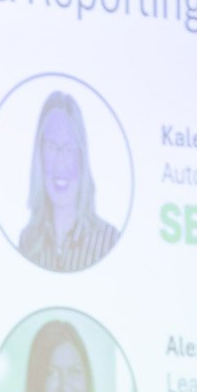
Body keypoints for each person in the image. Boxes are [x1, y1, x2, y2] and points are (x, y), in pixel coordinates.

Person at [18, 90, 120, 272]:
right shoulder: (27, 241)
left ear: (82, 155)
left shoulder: (109, 242)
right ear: (39, 155)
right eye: (51, 147)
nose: (60, 163)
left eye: (69, 148)